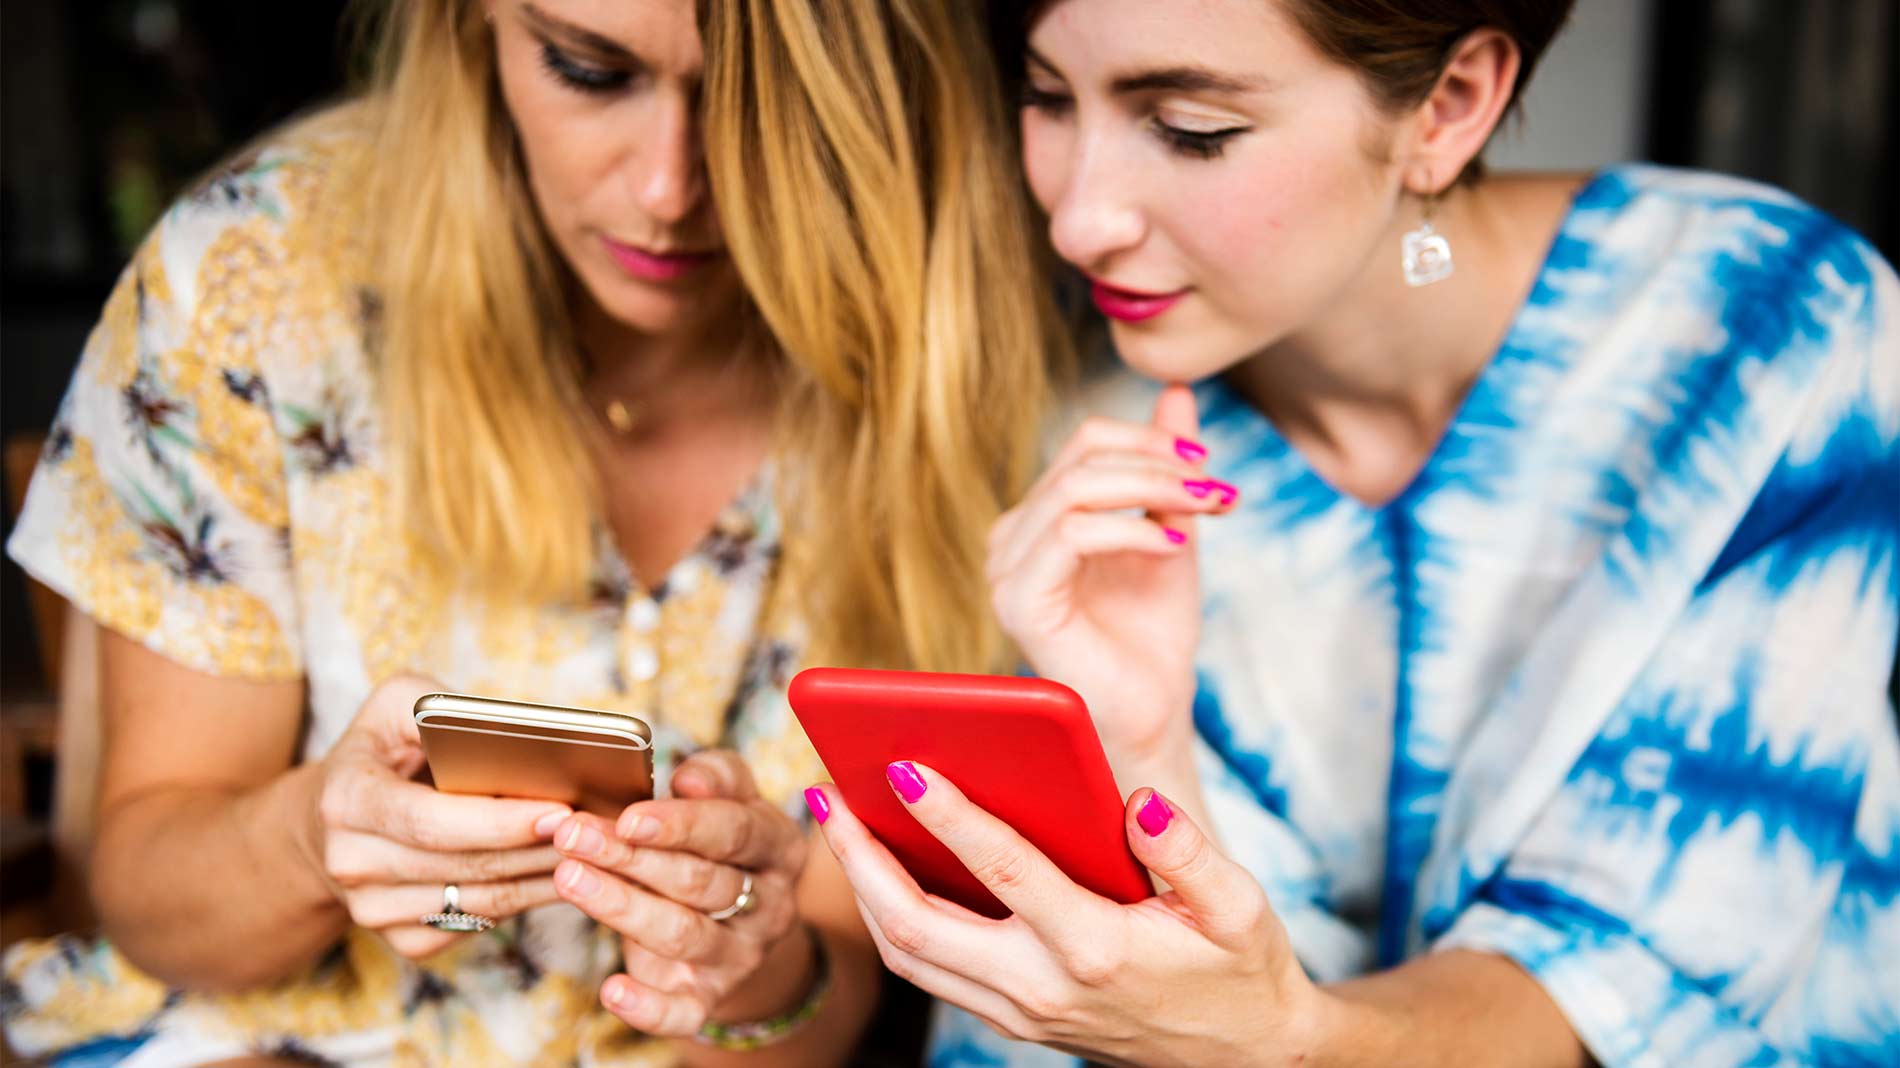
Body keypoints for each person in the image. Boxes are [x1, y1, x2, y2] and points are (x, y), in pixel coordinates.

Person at [803, 1, 1900, 1065]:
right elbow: (1159, 999)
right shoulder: (1066, 425)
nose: (1077, 220)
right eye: (1047, 97)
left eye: (1191, 129)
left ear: (1448, 106)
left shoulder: (1766, 325)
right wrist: (1146, 757)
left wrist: (1277, 1043)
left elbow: (1619, 994)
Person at [1, 0, 1059, 1064]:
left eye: (756, 101)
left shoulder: (939, 359)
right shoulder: (261, 274)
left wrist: (751, 961)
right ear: (470, 28)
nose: (669, 189)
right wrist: (313, 839)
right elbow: (150, 906)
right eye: (588, 71)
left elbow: (821, 1005)